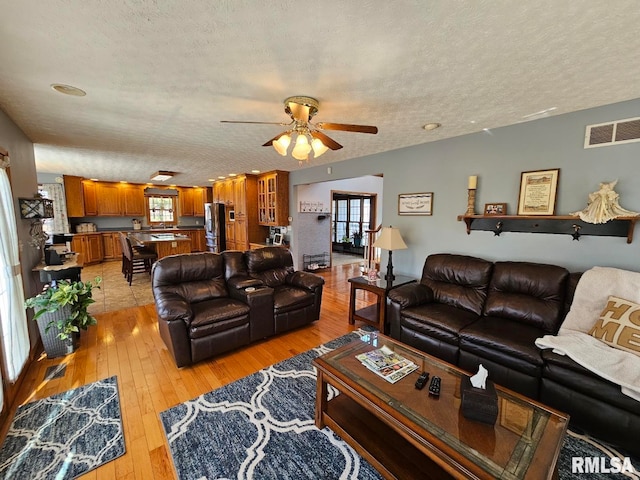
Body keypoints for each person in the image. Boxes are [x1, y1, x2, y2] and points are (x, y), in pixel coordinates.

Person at [574, 180, 639, 224]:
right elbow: (594, 194)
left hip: (604, 203)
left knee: (604, 210)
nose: (605, 188)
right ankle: (598, 216)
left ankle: (601, 215)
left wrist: (611, 196)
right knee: (595, 210)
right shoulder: (601, 191)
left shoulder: (608, 191)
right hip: (598, 203)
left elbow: (612, 196)